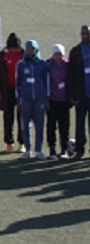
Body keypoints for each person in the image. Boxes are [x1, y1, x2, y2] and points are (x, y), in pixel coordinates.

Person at [16, 40, 49, 160]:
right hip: (26, 99)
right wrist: (18, 99)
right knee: (25, 126)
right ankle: (28, 150)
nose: (31, 51)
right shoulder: (21, 64)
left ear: (36, 49)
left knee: (39, 125)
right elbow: (17, 83)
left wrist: (46, 99)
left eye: (33, 48)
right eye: (29, 48)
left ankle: (38, 150)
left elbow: (47, 82)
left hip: (39, 99)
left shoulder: (42, 64)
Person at [0, 33, 25, 153]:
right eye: (13, 47)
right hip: (7, 90)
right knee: (8, 117)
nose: (15, 50)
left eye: (16, 48)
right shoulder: (3, 54)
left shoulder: (23, 54)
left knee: (22, 117)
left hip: (21, 90)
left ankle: (22, 142)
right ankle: (9, 142)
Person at [67, 25, 90, 159]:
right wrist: (72, 95)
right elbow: (71, 75)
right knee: (80, 123)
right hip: (81, 95)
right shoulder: (75, 51)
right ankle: (79, 150)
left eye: (87, 34)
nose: (85, 36)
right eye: (83, 34)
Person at [47, 44, 72, 159]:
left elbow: (71, 81)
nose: (58, 57)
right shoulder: (48, 65)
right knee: (51, 126)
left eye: (60, 54)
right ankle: (52, 149)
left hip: (64, 100)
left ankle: (64, 150)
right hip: (52, 100)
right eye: (56, 54)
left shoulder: (67, 65)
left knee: (64, 126)